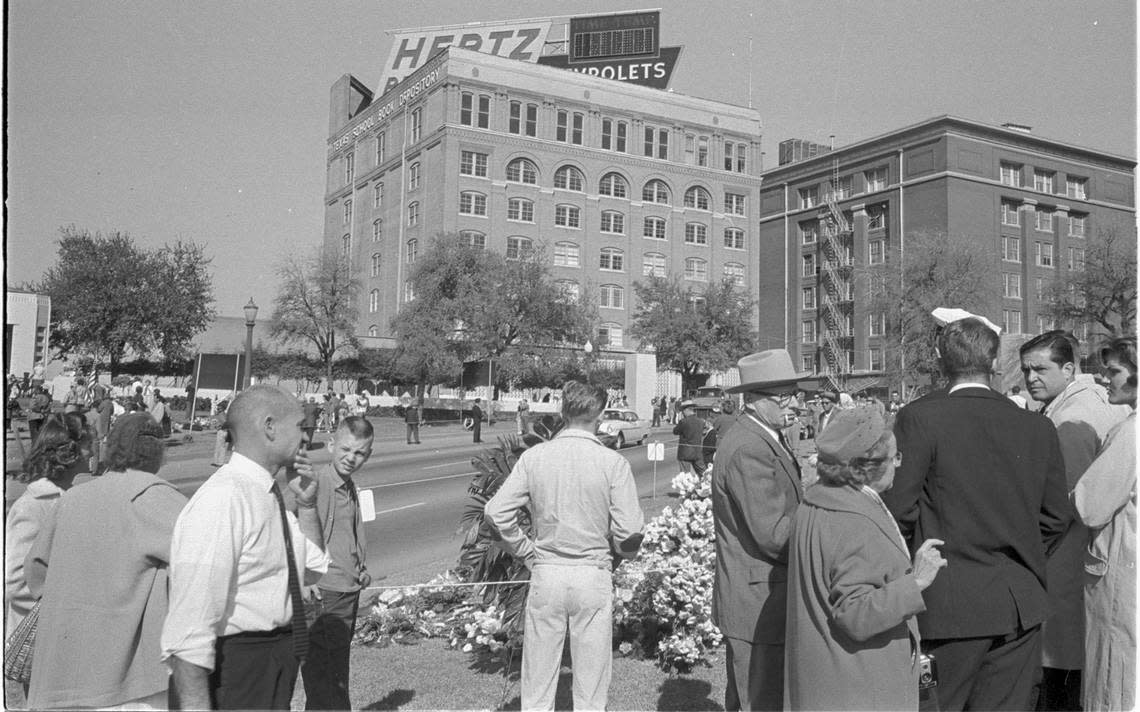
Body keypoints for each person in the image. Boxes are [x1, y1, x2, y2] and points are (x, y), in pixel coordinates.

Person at [881, 316, 1070, 711]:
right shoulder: (1035, 426)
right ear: (995, 360)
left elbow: (898, 508)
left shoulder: (921, 418)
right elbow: (1054, 519)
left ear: (939, 358)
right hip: (1017, 603)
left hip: (949, 600)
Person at [161, 385, 330, 710]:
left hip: (271, 664)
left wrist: (307, 506)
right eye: (299, 426)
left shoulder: (265, 492)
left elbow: (311, 571)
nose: (307, 436)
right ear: (269, 427)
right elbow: (188, 630)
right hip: (236, 670)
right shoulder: (224, 499)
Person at [484, 380, 644, 710]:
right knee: (591, 679)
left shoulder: (535, 457)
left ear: (562, 412)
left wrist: (526, 551)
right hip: (592, 572)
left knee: (538, 677)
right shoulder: (612, 463)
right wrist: (619, 556)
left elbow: (495, 512)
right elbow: (629, 531)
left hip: (547, 572)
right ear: (599, 415)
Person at [786, 407, 947, 710]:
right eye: (894, 457)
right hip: (860, 682)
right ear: (866, 467)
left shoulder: (816, 502)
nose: (899, 465)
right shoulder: (854, 518)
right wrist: (916, 582)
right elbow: (854, 615)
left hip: (826, 678)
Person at [24, 413, 187, 709]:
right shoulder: (161, 499)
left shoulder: (72, 498)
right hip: (128, 678)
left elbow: (35, 569)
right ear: (156, 452)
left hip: (65, 665)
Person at [1019, 329, 1129, 709]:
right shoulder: (1098, 401)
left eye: (1040, 369)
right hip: (1093, 558)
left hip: (1069, 560)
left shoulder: (1071, 418)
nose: (1031, 378)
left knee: (1064, 679)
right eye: (1025, 370)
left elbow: (1067, 504)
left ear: (1068, 369)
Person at [712, 349, 806, 711]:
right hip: (757, 601)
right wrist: (821, 523)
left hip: (761, 598)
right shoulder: (749, 447)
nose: (793, 404)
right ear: (753, 399)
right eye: (783, 397)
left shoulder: (762, 436)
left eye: (793, 394)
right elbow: (773, 534)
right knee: (761, 702)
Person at [1072, 336, 1136, 712]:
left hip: (1122, 575)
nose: (1105, 378)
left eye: (1114, 371)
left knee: (1116, 678)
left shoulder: (1130, 433)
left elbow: (1090, 506)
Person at [301, 416, 374, 710]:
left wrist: (360, 568)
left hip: (346, 591)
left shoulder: (348, 484)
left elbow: (346, 535)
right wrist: (307, 579)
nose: (351, 458)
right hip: (326, 595)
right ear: (331, 444)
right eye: (345, 449)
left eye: (359, 453)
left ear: (367, 455)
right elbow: (298, 536)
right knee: (327, 682)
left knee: (332, 676)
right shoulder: (320, 483)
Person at [5, 413, 94, 639]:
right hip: (34, 640)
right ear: (68, 452)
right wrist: (67, 606)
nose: (92, 453)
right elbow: (15, 583)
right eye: (87, 446)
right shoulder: (34, 506)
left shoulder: (66, 497)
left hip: (58, 634)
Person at [673, 400, 706, 473]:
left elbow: (675, 431)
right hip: (697, 452)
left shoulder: (683, 422)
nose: (683, 413)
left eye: (683, 411)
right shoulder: (701, 421)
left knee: (685, 476)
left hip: (685, 453)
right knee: (703, 474)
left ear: (686, 410)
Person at [91, 384, 115, 475]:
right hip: (107, 418)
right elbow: (112, 411)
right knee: (106, 431)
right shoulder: (111, 403)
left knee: (100, 431)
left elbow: (99, 409)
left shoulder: (103, 403)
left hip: (101, 418)